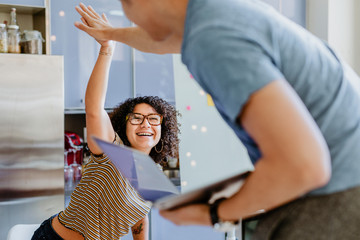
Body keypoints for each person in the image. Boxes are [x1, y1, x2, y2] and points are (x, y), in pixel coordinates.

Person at [74, 0, 360, 239]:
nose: (130, 15)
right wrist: (111, 35)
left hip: (337, 196)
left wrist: (213, 213)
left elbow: (305, 167)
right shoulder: (216, 14)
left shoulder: (211, 36)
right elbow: (162, 41)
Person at [32, 7, 180, 240]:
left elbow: (139, 215)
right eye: (136, 118)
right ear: (124, 123)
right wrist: (107, 49)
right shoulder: (112, 150)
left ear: (163, 128)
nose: (146, 125)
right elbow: (94, 107)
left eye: (153, 119)